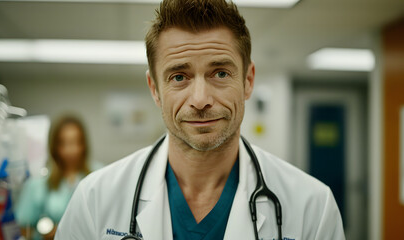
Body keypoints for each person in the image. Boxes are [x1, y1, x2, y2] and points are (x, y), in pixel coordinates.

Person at [55, 0, 345, 239]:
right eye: (179, 77)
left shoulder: (312, 207)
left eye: (220, 73)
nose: (200, 99)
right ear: (155, 89)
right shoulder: (94, 200)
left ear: (248, 81)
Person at [16, 115, 91, 240]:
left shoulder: (100, 175)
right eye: (64, 143)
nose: (70, 150)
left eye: (75, 142)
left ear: (84, 144)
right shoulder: (38, 183)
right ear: (55, 147)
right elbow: (24, 229)